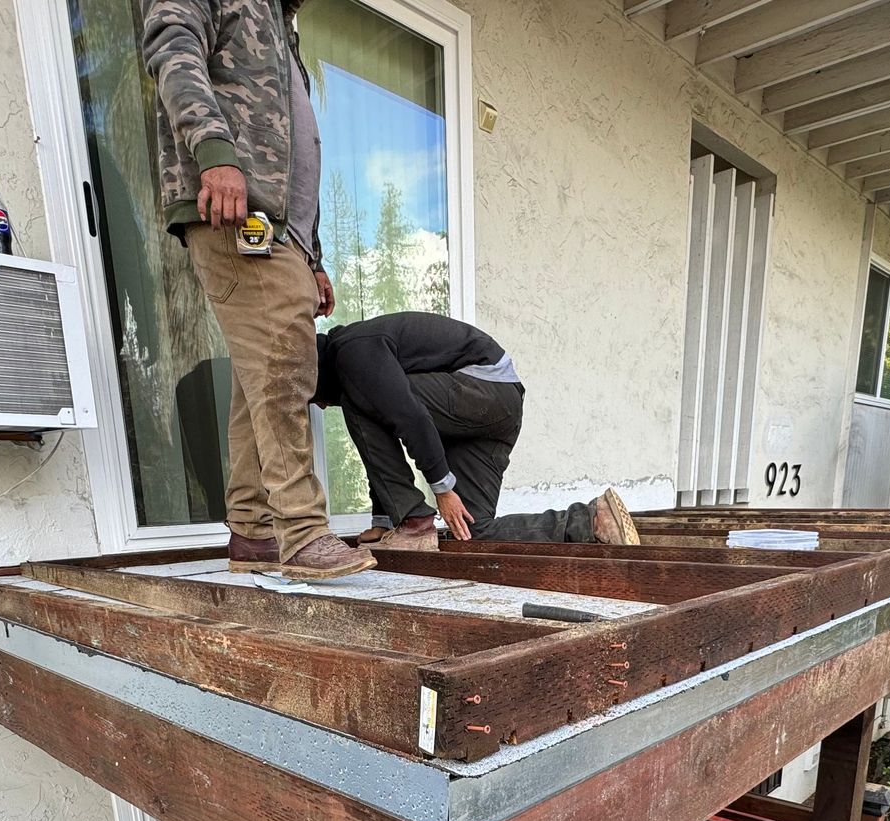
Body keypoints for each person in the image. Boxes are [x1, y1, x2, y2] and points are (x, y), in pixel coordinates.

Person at [143, 0, 372, 579]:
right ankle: (302, 529)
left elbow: (296, 155)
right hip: (237, 209)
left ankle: (253, 530)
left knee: (260, 379)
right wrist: (215, 154)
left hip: (282, 231)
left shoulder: (279, 23)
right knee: (283, 370)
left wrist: (313, 257)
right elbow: (173, 44)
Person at [312, 312, 641, 550]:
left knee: (360, 398)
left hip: (483, 387)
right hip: (494, 409)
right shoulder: (359, 358)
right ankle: (591, 520)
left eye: (316, 398)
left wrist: (442, 490)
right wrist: (382, 522)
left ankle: (413, 522)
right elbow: (383, 435)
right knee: (471, 531)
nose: (323, 406)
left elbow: (411, 417)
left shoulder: (353, 349)